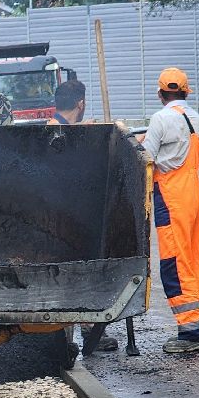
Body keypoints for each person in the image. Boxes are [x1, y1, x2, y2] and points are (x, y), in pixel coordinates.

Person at [46, 79, 119, 354]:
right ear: (81, 103)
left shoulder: (53, 130)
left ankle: (73, 334)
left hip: (57, 216)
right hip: (66, 218)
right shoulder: (61, 134)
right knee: (76, 275)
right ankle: (85, 333)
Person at [143, 67, 199, 354]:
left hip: (171, 196)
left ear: (160, 94)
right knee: (192, 260)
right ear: (185, 92)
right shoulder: (194, 117)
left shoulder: (160, 118)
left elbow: (147, 157)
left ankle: (193, 332)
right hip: (193, 194)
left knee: (174, 263)